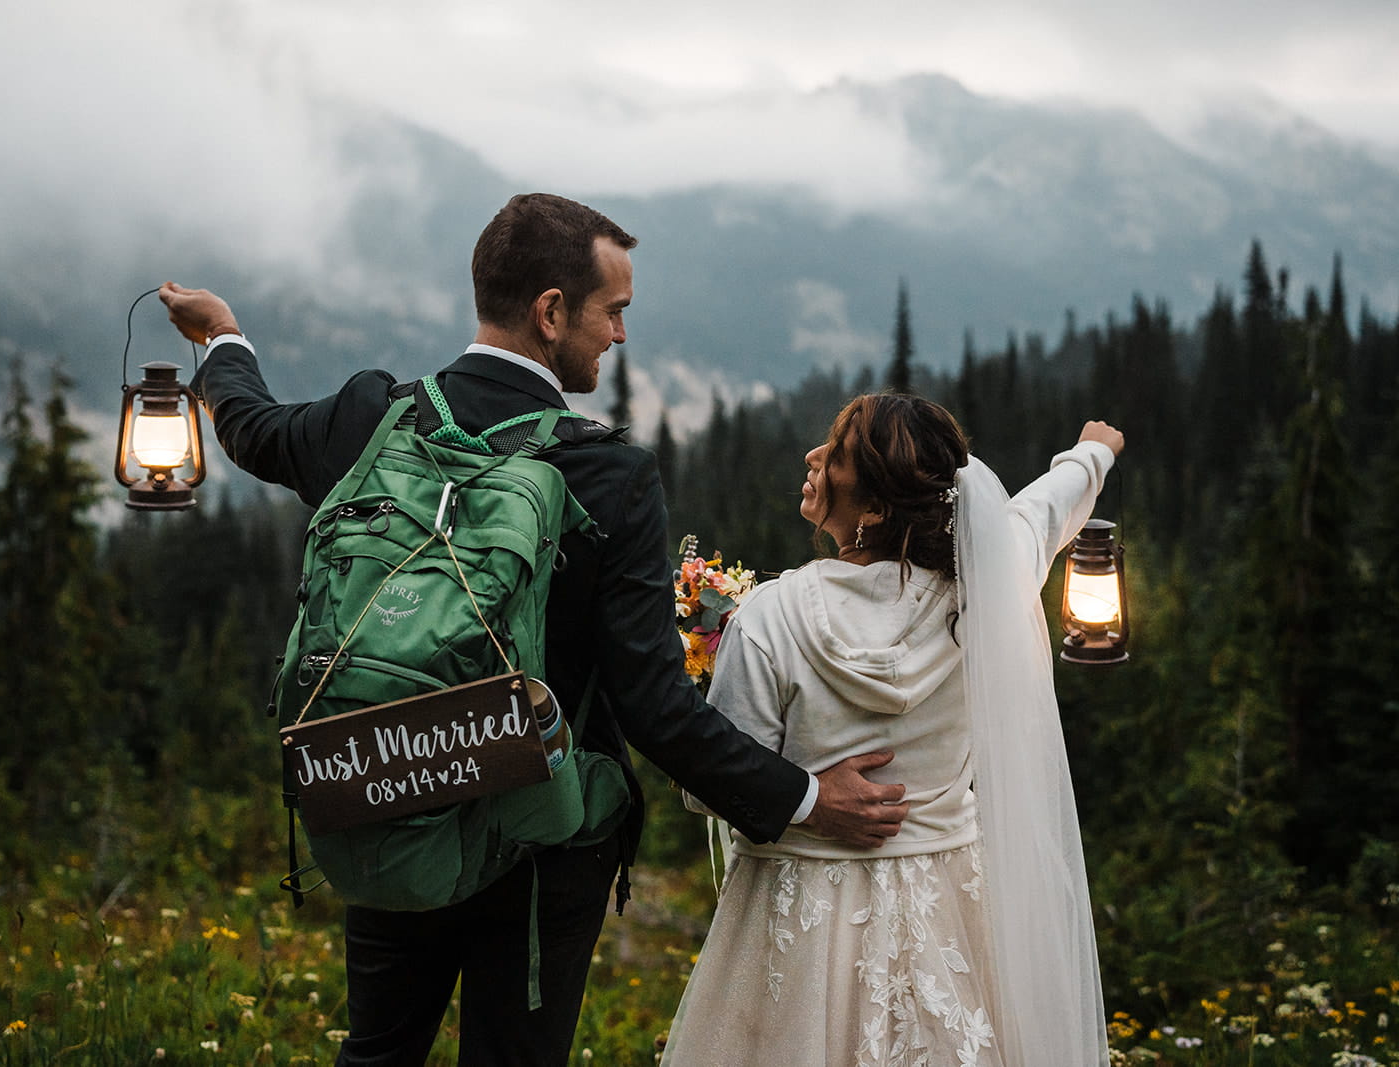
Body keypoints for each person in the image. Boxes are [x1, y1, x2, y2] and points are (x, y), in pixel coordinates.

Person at [158, 192, 910, 1067]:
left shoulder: (375, 417)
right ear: (552, 313)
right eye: (613, 311)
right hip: (544, 847)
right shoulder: (607, 474)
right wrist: (809, 798)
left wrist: (220, 340)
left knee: (378, 1051)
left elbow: (252, 429)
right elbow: (654, 710)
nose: (619, 335)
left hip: (390, 789)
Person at [662, 394, 1120, 1067]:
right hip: (951, 916)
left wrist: (807, 796)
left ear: (873, 509)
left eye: (838, 452)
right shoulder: (985, 594)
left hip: (800, 922)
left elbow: (712, 786)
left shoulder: (770, 618)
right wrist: (1093, 455)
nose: (814, 456)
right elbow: (1042, 513)